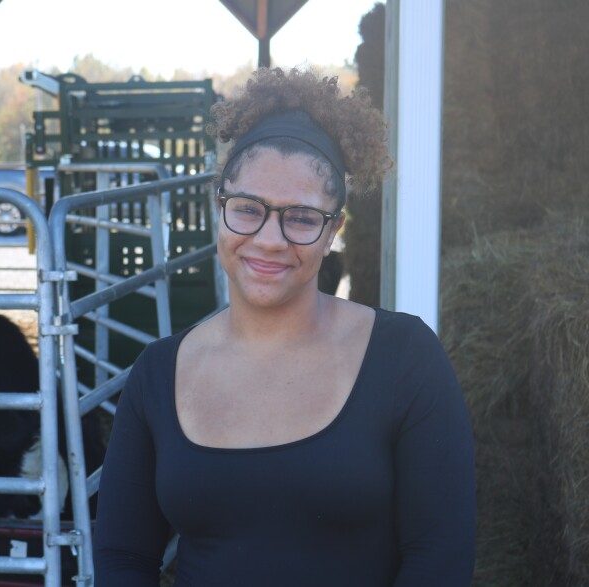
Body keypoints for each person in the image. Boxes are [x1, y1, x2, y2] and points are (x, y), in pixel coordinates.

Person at [93, 67, 476, 586]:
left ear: (334, 230)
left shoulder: (404, 358)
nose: (269, 239)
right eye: (247, 209)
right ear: (219, 207)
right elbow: (122, 556)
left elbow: (439, 558)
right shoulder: (160, 372)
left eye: (300, 217)